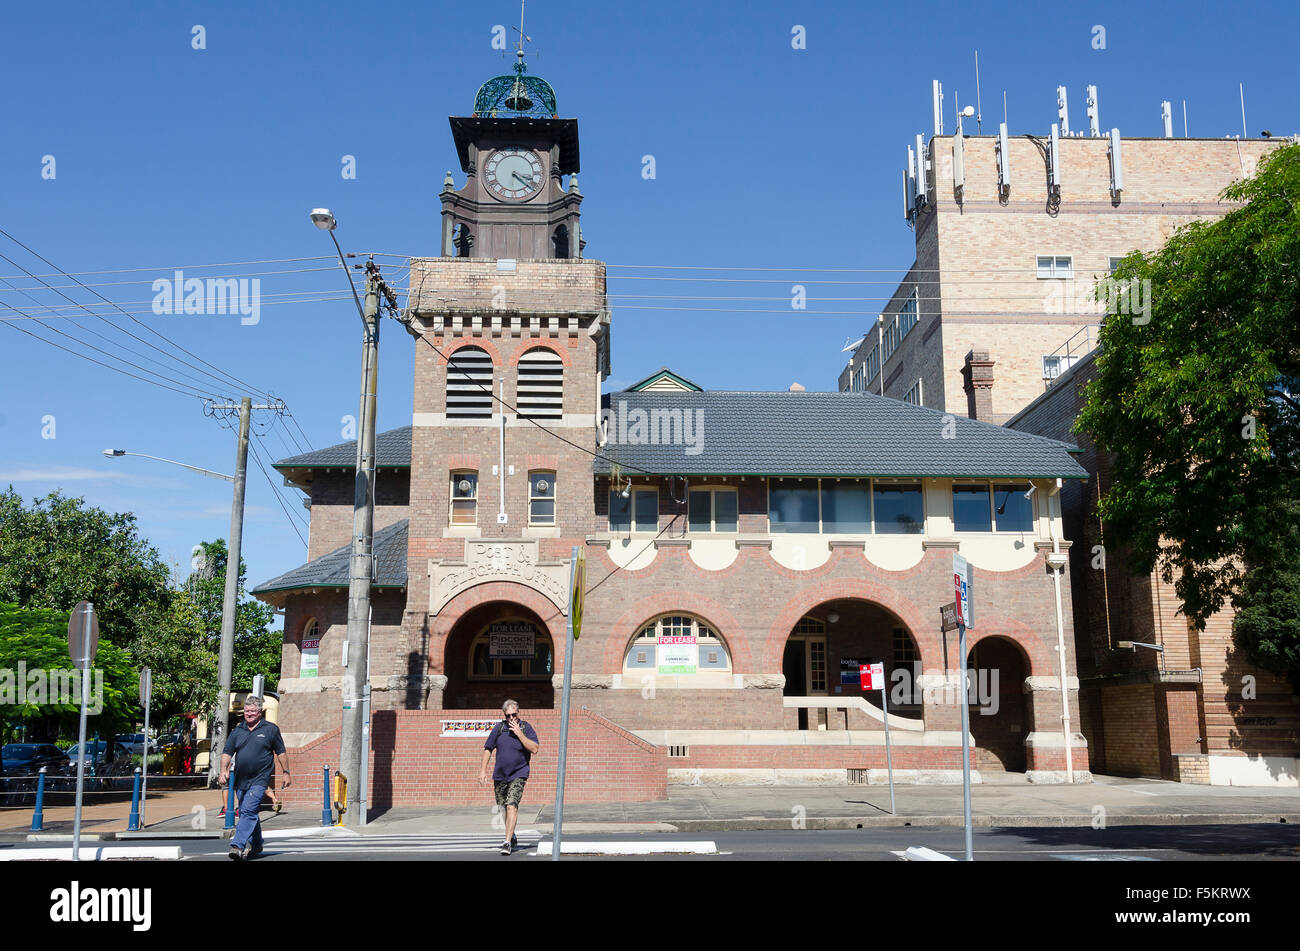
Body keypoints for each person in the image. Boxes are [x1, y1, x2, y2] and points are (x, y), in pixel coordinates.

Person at [219, 697, 290, 860]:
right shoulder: (238, 730)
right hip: (240, 779)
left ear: (260, 712)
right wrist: (223, 770)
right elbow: (227, 752)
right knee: (247, 811)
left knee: (249, 810)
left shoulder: (271, 729)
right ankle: (257, 844)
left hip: (260, 778)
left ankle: (237, 845)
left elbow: (281, 752)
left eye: (252, 711)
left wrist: (286, 772)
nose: (249, 714)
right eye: (246, 711)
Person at [478, 699, 539, 855]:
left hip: (519, 774)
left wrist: (519, 733)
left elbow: (535, 748)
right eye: (508, 716)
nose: (511, 718)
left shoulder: (526, 728)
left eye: (514, 714)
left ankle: (506, 842)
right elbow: (488, 749)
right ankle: (511, 835)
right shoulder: (499, 728)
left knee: (512, 804)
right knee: (504, 807)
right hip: (500, 776)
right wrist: (483, 771)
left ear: (519, 713)